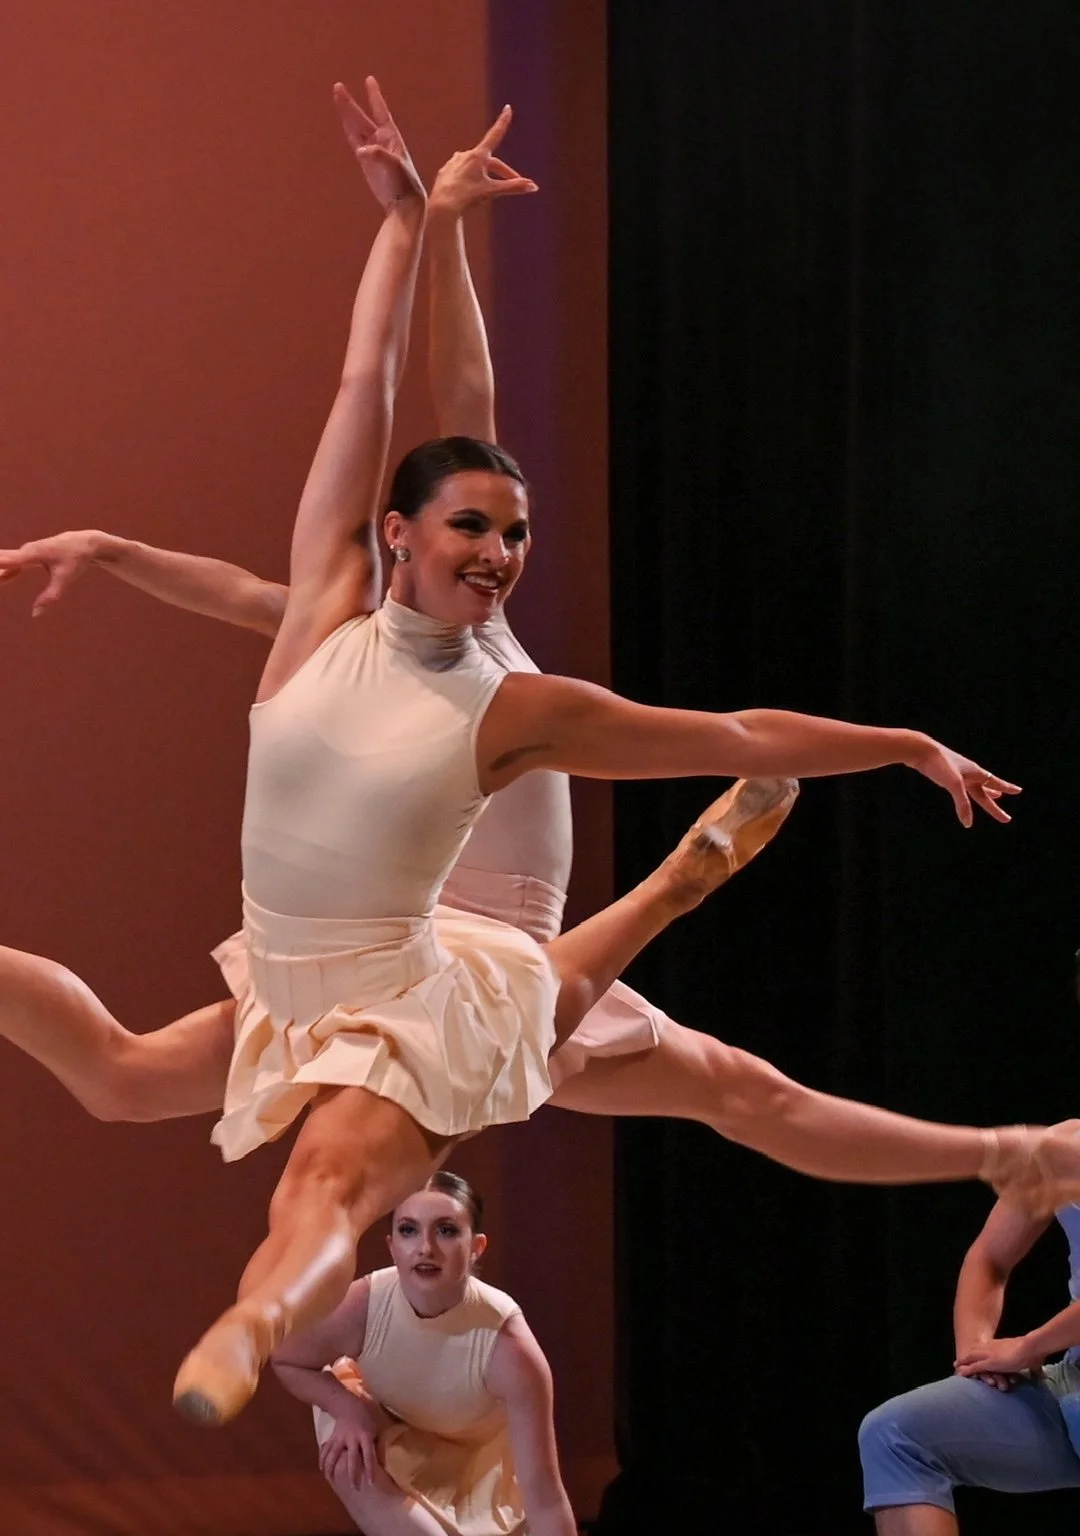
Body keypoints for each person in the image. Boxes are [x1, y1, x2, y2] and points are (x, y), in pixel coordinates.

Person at [0, 78, 1070, 1428]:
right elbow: (382, 415)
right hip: (401, 970)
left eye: (513, 537)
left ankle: (1010, 1150)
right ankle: (1004, 1144)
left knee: (716, 1096)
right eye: (470, 533)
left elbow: (432, 411)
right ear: (398, 538)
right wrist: (414, 227)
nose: (501, 555)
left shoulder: (456, 671)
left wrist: (905, 741)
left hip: (430, 973)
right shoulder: (366, 639)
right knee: (129, 1077)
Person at [272, 1169, 575, 1535]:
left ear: (476, 1246)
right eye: (408, 1230)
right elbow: (286, 1358)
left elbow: (545, 1496)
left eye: (446, 1230)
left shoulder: (508, 1345)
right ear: (391, 1245)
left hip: (477, 1477)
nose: (425, 1248)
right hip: (383, 1433)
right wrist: (347, 1409)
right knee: (348, 1456)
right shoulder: (366, 1303)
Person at [858, 1197, 1080, 1533]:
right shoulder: (1051, 1151)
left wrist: (1029, 1345)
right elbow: (988, 1257)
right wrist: (977, 1353)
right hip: (1072, 1378)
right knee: (895, 1435)